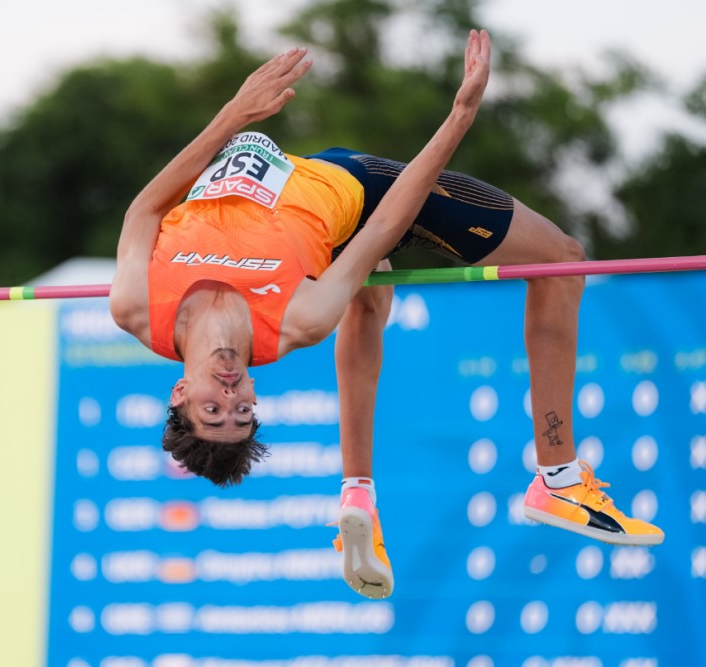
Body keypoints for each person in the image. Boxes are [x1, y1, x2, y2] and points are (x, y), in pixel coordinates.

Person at [109, 29, 663, 601]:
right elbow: (379, 230)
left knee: (372, 299)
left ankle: (357, 496)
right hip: (362, 189)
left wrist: (234, 113)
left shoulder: (135, 305)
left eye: (212, 408)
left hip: (304, 176)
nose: (230, 393)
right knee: (562, 258)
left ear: (179, 391)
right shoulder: (298, 318)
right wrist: (459, 118)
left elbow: (147, 206)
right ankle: (560, 478)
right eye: (243, 409)